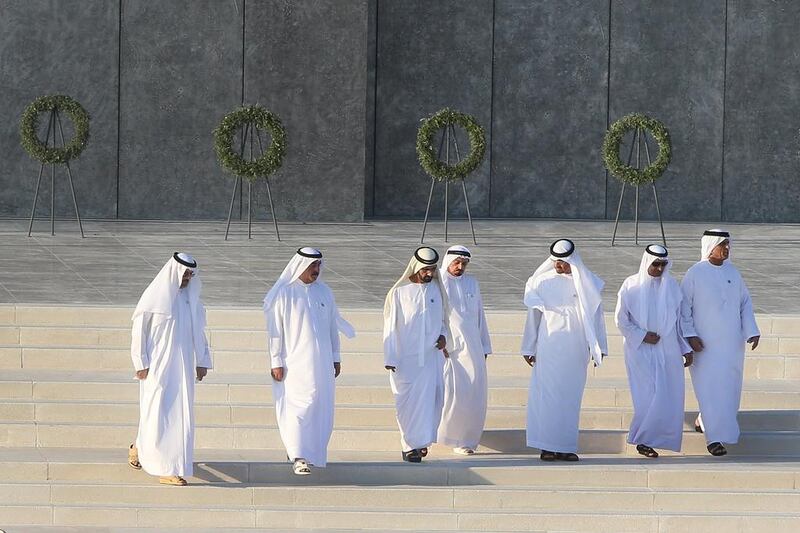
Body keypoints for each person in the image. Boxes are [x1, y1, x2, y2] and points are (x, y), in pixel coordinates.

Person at [263, 247, 354, 475]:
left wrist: (335, 357)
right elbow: (275, 331)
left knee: (318, 406)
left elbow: (333, 327)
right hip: (294, 364)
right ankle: (297, 455)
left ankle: (311, 453)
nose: (316, 270)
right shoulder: (284, 294)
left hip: (322, 364)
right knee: (297, 408)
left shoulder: (325, 292)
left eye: (318, 266)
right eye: (312, 266)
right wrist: (276, 361)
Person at [128, 252, 212, 486]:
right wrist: (140, 362)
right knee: (156, 411)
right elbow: (139, 331)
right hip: (157, 367)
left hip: (182, 367)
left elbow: (200, 333)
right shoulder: (155, 297)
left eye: (190, 274)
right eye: (183, 273)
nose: (187, 278)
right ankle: (161, 465)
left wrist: (202, 361)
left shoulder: (191, 300)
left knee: (178, 415)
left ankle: (161, 459)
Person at [521, 239, 607, 462]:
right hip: (549, 345)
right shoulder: (541, 282)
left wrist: (600, 346)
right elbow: (533, 317)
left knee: (570, 397)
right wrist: (529, 346)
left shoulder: (587, 282)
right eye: (556, 261)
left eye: (563, 261)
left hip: (576, 347)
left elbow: (597, 317)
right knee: (547, 396)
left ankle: (565, 446)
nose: (559, 265)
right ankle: (546, 447)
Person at [680, 229, 760, 456]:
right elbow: (684, 308)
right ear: (710, 246)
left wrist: (751, 331)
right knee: (709, 388)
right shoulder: (695, 273)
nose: (726, 249)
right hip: (704, 345)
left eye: (728, 245)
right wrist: (690, 335)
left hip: (732, 345)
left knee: (729, 389)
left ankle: (703, 421)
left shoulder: (733, 272)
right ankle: (713, 439)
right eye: (722, 244)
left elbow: (745, 303)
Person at [615, 244, 693, 458]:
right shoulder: (631, 285)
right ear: (647, 263)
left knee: (668, 396)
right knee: (647, 395)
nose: (659, 269)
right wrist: (642, 335)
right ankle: (642, 440)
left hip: (668, 349)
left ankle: (655, 439)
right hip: (639, 350)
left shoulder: (672, 287)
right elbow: (621, 320)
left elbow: (677, 324)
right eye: (655, 264)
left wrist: (685, 348)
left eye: (663, 265)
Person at [383, 246, 449, 463]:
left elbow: (443, 321)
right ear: (417, 267)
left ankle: (420, 442)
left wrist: (443, 335)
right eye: (426, 270)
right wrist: (390, 357)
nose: (430, 274)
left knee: (432, 400)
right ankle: (409, 445)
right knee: (407, 404)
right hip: (405, 359)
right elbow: (390, 327)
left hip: (431, 358)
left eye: (433, 269)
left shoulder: (437, 291)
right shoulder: (399, 292)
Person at [436, 245, 492, 455]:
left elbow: (479, 315)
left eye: (464, 264)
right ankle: (444, 435)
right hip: (450, 350)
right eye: (456, 263)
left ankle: (466, 441)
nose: (460, 267)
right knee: (451, 393)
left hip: (474, 348)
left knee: (473, 394)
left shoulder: (472, 283)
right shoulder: (438, 283)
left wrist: (484, 345)